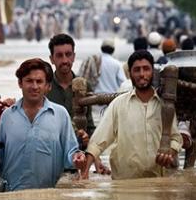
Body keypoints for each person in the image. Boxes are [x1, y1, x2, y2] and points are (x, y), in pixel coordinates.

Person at [75, 50, 182, 179]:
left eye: (146, 69)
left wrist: (170, 152)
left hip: (158, 183)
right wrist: (85, 172)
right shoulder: (118, 105)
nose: (142, 74)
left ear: (153, 72)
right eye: (137, 70)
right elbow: (98, 141)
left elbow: (176, 138)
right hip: (125, 184)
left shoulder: (165, 107)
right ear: (130, 74)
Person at [0, 59, 84, 191]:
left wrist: (77, 157)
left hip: (49, 199)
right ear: (20, 83)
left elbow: (70, 152)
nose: (34, 86)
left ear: (48, 86)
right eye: (29, 81)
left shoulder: (60, 114)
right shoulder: (7, 116)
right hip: (11, 199)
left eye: (39, 81)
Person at [46, 34, 95, 143]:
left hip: (78, 150)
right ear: (51, 59)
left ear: (74, 56)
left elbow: (90, 124)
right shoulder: (44, 87)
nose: (64, 60)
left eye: (68, 54)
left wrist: (88, 139)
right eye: (59, 55)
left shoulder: (85, 85)